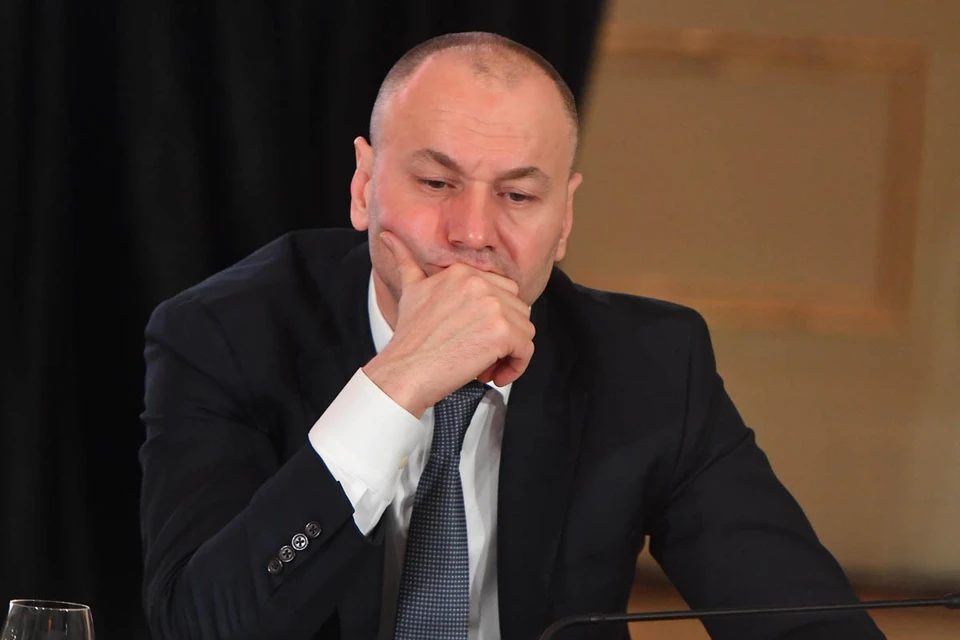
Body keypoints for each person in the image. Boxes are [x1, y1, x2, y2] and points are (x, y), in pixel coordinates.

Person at [139, 32, 885, 640]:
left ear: (564, 218)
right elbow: (200, 625)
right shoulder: (224, 335)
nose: (473, 233)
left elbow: (806, 624)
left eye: (519, 195)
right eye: (437, 184)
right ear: (365, 187)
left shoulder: (650, 364)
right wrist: (397, 383)